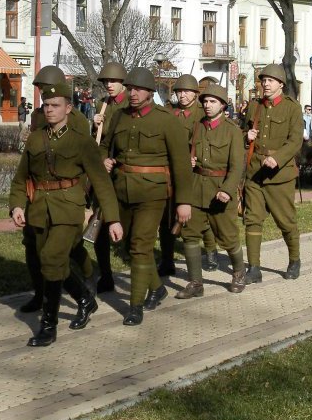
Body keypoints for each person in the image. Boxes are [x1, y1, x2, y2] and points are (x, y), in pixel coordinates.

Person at [9, 82, 123, 347]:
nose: (49, 110)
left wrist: (114, 218)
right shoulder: (36, 138)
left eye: (55, 105)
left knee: (51, 258)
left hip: (69, 209)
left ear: (68, 108)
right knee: (50, 262)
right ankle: (85, 298)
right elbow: (20, 178)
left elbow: (101, 182)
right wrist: (16, 206)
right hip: (39, 209)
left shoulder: (81, 142)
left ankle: (48, 326)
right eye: (46, 105)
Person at [100, 67, 192, 326]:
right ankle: (157, 288)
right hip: (122, 190)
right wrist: (104, 160)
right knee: (130, 247)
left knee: (141, 247)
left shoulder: (166, 120)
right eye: (130, 89)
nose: (133, 93)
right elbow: (105, 147)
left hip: (153, 193)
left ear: (151, 92)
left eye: (138, 89)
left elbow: (181, 163)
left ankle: (135, 306)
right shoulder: (118, 117)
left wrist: (184, 201)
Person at [18, 65, 93, 315]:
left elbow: (79, 160)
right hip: (38, 194)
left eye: (44, 89)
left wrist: (77, 198)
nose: (42, 96)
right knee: (34, 248)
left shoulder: (78, 121)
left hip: (67, 196)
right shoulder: (40, 115)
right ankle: (40, 295)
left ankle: (86, 284)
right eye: (39, 90)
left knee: (64, 251)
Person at [176, 84, 246, 298]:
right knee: (189, 235)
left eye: (212, 101)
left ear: (223, 105)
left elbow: (237, 165)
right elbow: (190, 154)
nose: (207, 105)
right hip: (197, 189)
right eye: (205, 101)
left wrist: (227, 189)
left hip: (220, 191)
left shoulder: (232, 130)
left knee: (229, 237)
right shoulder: (197, 127)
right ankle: (196, 283)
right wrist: (190, 160)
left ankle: (239, 273)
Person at [243, 63, 304, 282]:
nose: (265, 84)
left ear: (280, 84)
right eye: (263, 80)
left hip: (280, 175)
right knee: (252, 220)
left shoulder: (292, 108)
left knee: (285, 220)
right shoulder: (254, 106)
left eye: (270, 81)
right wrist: (246, 135)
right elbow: (244, 130)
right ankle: (253, 268)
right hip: (255, 172)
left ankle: (294, 260)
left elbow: (296, 140)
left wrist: (277, 159)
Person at [172, 74, 220, 272]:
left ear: (195, 94)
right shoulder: (172, 113)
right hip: (174, 168)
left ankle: (210, 251)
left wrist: (195, 157)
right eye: (179, 92)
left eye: (186, 92)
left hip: (196, 169)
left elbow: (209, 139)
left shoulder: (202, 114)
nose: (182, 95)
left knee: (199, 215)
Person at [91, 62, 129, 293]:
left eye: (113, 81)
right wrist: (93, 124)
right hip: (103, 174)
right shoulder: (102, 105)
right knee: (100, 224)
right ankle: (106, 275)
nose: (109, 85)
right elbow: (95, 142)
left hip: (124, 171)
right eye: (106, 82)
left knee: (129, 226)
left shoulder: (130, 104)